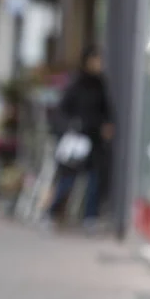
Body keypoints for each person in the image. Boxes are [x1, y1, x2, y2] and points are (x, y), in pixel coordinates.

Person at [47, 45, 113, 232]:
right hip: (79, 139)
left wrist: (107, 125)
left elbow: (106, 108)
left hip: (95, 140)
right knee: (68, 179)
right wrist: (72, 127)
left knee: (93, 179)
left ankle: (90, 217)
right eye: (96, 59)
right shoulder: (77, 84)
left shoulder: (100, 83)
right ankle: (51, 213)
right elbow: (64, 109)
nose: (99, 63)